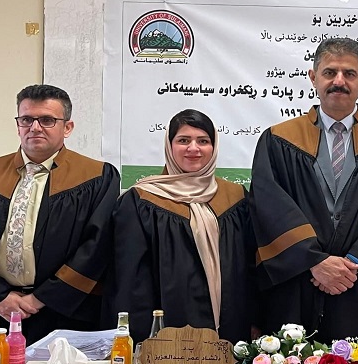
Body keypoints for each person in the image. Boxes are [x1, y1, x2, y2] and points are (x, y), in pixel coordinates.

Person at [250, 37, 358, 342]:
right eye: (330, 72)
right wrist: (314, 261)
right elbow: (269, 206)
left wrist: (353, 263)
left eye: (349, 73)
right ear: (313, 77)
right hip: (299, 281)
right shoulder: (277, 139)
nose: (339, 81)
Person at [0, 84, 120, 343]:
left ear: (67, 127)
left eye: (47, 120)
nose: (35, 127)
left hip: (64, 311)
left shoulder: (97, 176)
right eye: (27, 119)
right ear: (18, 125)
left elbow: (96, 247)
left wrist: (40, 299)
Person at [105, 109, 254, 345]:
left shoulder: (236, 197)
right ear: (169, 146)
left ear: (214, 147)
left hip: (231, 325)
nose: (193, 148)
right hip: (167, 331)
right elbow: (130, 280)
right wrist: (143, 338)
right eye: (183, 140)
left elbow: (249, 265)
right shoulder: (141, 200)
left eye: (203, 141)